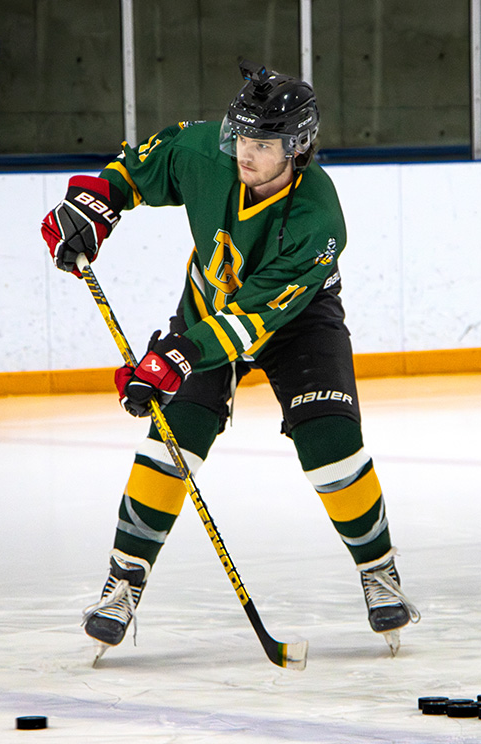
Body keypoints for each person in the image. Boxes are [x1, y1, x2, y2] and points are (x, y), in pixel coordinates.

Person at [41, 60, 418, 658]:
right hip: (208, 307)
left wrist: (177, 357)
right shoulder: (206, 151)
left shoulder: (317, 218)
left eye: (263, 142)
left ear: (295, 147)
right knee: (172, 443)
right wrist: (93, 207)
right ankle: (123, 582)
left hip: (297, 322)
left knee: (331, 445)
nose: (245, 151)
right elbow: (140, 168)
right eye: (241, 135)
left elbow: (255, 320)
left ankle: (378, 568)